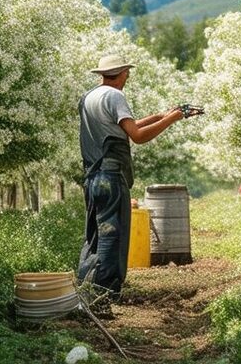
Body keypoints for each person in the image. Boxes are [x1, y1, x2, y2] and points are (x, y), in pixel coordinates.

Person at [75, 54, 197, 307]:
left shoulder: (88, 97)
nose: (128, 76)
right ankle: (104, 295)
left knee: (94, 234)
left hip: (92, 177)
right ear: (120, 73)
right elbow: (137, 136)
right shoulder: (115, 96)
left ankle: (84, 288)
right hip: (111, 175)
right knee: (113, 235)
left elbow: (120, 129)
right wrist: (173, 120)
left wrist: (159, 116)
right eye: (127, 72)